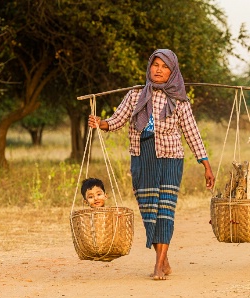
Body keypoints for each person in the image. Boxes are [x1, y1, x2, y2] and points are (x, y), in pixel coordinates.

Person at [88, 49, 215, 280]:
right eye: (155, 64)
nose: (158, 69)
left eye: (165, 66)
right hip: (142, 156)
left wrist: (205, 164)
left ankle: (158, 264)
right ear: (149, 67)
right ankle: (164, 259)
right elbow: (117, 121)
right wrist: (101, 123)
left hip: (170, 159)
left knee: (165, 210)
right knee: (149, 210)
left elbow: (192, 132)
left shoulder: (179, 100)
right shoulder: (135, 95)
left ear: (172, 71)